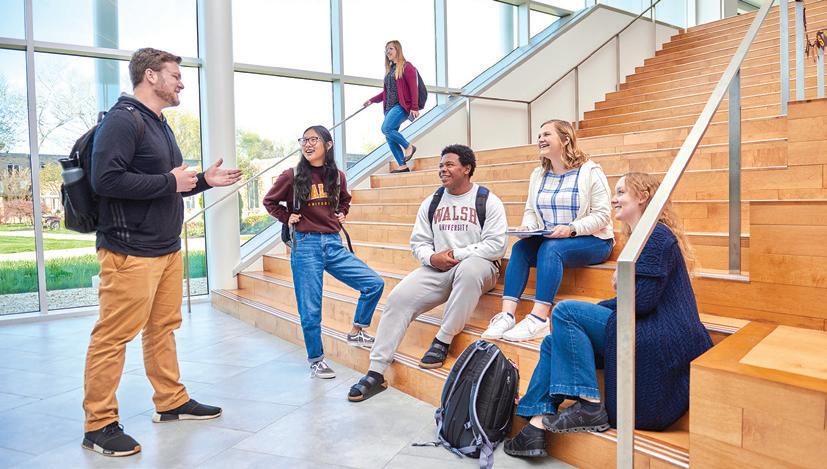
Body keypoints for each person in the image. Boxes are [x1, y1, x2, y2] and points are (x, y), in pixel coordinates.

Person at [83, 48, 242, 457]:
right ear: (150, 76)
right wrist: (170, 182)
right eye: (175, 75)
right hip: (130, 250)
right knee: (113, 336)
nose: (181, 83)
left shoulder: (159, 123)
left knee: (162, 329)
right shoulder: (123, 119)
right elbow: (106, 180)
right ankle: (98, 424)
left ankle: (170, 401)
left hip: (166, 248)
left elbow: (168, 183)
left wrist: (202, 180)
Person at [503, 172, 713, 458]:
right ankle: (535, 427)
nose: (614, 199)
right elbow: (632, 300)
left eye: (621, 192)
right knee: (554, 342)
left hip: (657, 338)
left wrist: (621, 283)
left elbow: (642, 302)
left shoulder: (656, 235)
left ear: (643, 197)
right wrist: (605, 303)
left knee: (565, 311)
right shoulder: (642, 238)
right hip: (640, 328)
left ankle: (589, 405)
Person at [348, 144, 508, 402]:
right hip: (439, 267)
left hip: (480, 267)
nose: (443, 170)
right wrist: (431, 257)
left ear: (467, 169)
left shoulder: (487, 200)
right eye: (441, 165)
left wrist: (457, 254)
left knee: (469, 270)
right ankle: (376, 371)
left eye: (449, 165)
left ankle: (443, 340)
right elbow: (419, 242)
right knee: (398, 298)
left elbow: (496, 245)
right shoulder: (432, 202)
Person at [263, 125, 384, 380]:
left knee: (374, 283)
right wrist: (287, 217)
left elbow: (345, 199)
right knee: (310, 309)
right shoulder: (292, 175)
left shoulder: (337, 176)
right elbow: (269, 201)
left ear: (328, 145)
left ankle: (357, 330)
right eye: (304, 140)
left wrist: (342, 212)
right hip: (305, 245)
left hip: (333, 244)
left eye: (313, 140)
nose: (307, 144)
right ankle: (316, 360)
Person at [481, 119, 614, 342]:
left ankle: (539, 319)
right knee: (521, 248)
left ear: (566, 139)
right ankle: (506, 315)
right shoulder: (539, 174)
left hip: (593, 240)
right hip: (551, 238)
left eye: (546, 134)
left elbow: (602, 216)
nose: (540, 139)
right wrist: (528, 227)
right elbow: (531, 210)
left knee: (551, 249)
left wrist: (571, 229)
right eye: (539, 136)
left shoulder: (590, 171)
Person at [363, 40, 419, 173]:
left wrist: (415, 107)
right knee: (389, 137)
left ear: (398, 50)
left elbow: (414, 88)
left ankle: (408, 146)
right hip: (389, 108)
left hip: (401, 106)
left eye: (390, 49)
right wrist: (372, 100)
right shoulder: (390, 71)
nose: (387, 52)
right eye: (386, 49)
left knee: (386, 128)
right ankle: (403, 165)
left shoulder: (407, 67)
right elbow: (386, 92)